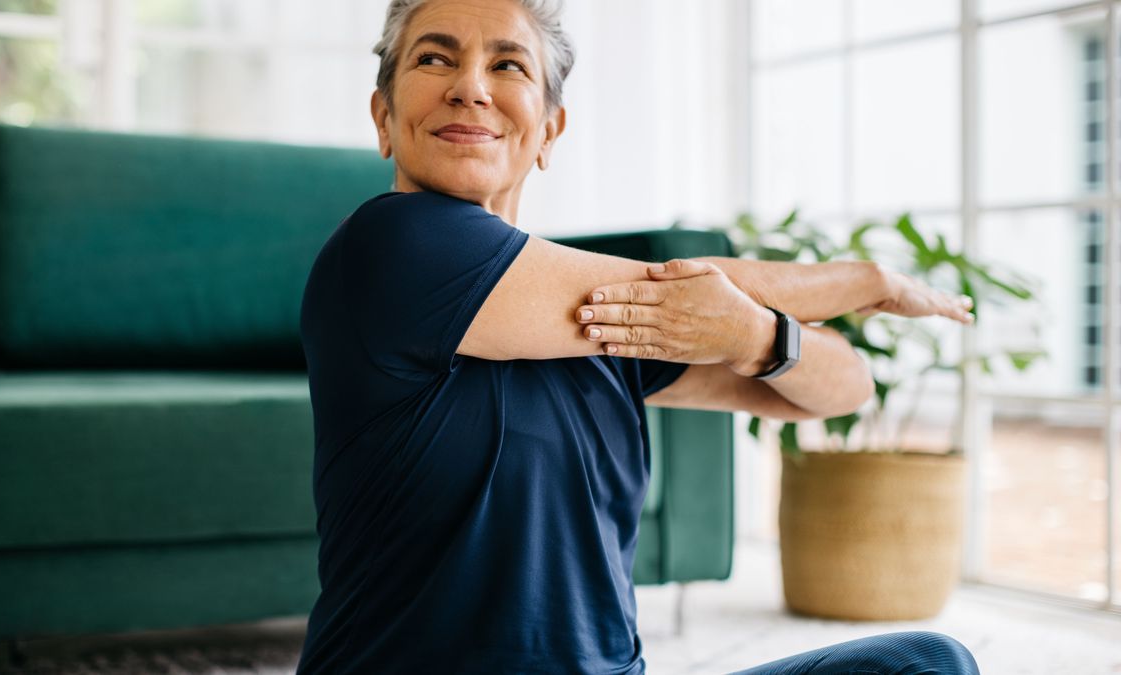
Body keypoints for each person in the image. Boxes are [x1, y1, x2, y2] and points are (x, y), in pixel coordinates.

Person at [294, 0, 981, 673]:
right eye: (435, 57)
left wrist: (755, 334)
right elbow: (664, 289)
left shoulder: (610, 320)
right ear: (384, 118)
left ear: (549, 133)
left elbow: (840, 388)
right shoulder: (385, 247)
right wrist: (863, 280)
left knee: (926, 662)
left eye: (508, 65)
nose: (470, 87)